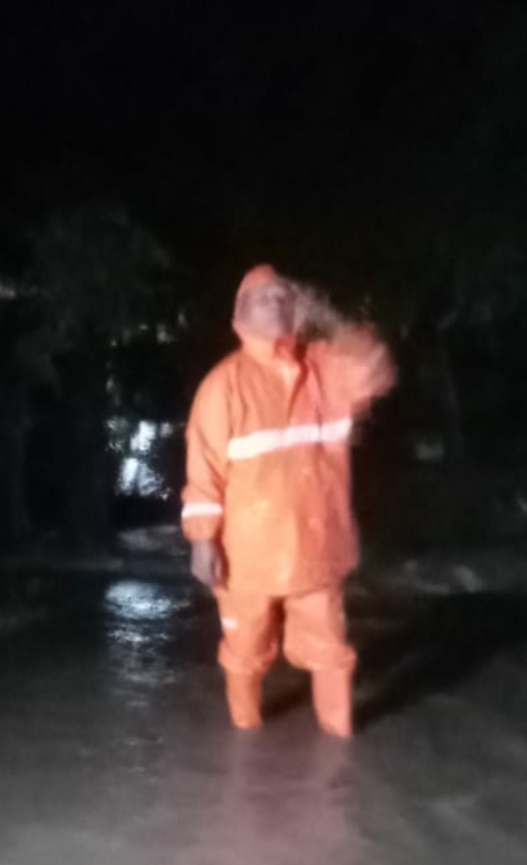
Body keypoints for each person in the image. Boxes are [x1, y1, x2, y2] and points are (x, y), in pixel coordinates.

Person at [182, 265, 396, 737]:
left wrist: (327, 315)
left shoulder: (326, 369)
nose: (275, 305)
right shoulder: (223, 386)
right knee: (244, 649)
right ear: (240, 315)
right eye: (263, 299)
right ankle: (245, 736)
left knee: (330, 651)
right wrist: (202, 542)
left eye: (284, 298)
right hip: (248, 553)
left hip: (318, 545)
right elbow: (204, 472)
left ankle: (339, 746)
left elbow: (377, 367)